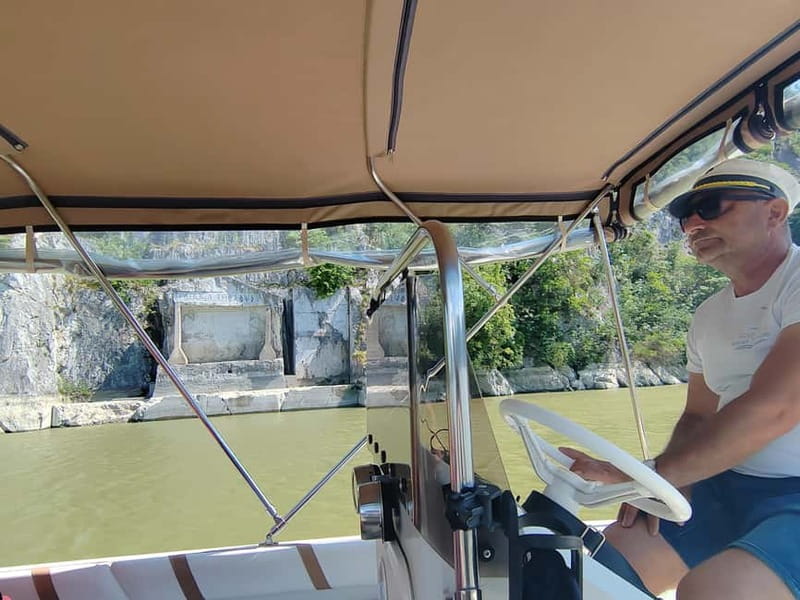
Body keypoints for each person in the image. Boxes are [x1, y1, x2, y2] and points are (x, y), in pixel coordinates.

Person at [562, 157, 800, 599]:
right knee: (598, 573)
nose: (691, 221)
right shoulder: (708, 316)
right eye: (683, 213)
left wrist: (655, 473)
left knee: (711, 591)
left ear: (775, 212)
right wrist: (661, 485)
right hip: (726, 484)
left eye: (711, 206)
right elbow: (696, 416)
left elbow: (777, 407)